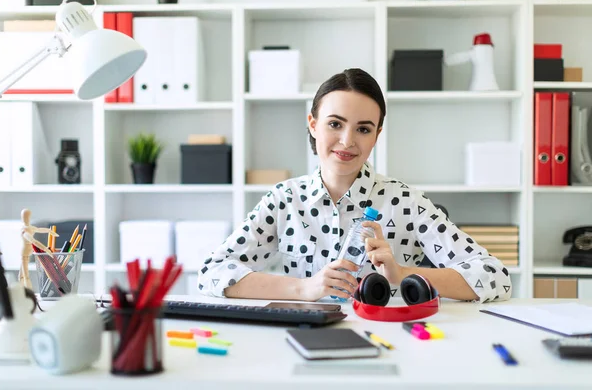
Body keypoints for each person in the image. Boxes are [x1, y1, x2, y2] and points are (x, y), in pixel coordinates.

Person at [198, 68, 512, 303]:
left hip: (395, 341)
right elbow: (213, 273)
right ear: (313, 124)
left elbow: (495, 276)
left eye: (363, 129)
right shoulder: (285, 199)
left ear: (377, 135)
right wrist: (304, 288)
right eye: (335, 124)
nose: (347, 141)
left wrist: (402, 274)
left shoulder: (406, 201)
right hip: (305, 339)